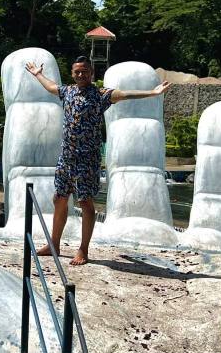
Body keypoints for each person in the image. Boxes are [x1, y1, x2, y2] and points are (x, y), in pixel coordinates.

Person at [25, 56, 171, 265]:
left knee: (85, 202)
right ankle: (54, 243)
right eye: (77, 72)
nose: (81, 75)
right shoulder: (68, 92)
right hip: (66, 156)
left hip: (87, 158)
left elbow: (125, 94)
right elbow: (51, 87)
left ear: (91, 73)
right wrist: (38, 74)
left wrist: (152, 93)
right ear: (73, 73)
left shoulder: (101, 94)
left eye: (85, 71)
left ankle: (83, 249)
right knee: (59, 198)